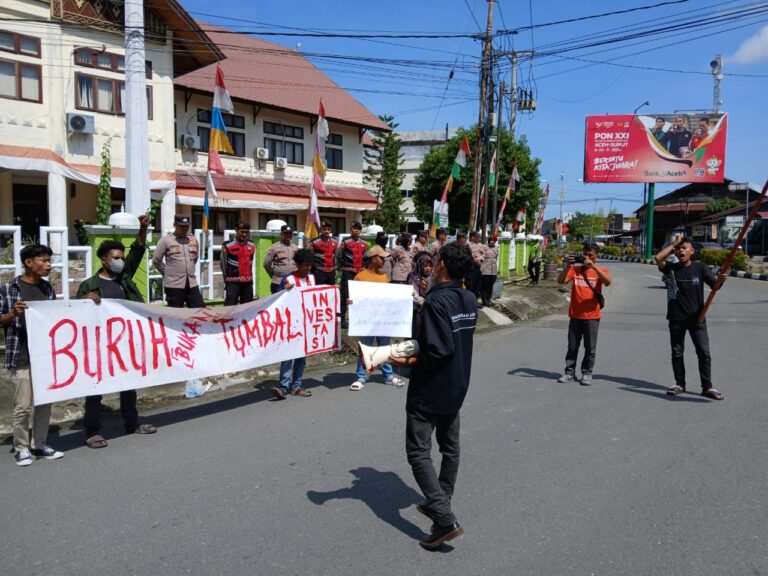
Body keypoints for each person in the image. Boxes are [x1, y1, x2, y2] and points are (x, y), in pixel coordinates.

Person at [389, 242, 477, 550]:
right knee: (450, 448)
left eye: (436, 258)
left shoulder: (436, 302)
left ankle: (443, 518)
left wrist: (401, 359)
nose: (433, 260)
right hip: (457, 385)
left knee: (418, 452)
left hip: (430, 390)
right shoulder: (468, 298)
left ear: (441, 265)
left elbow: (438, 350)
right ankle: (440, 501)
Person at [77, 215, 158, 448]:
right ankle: (92, 431)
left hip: (125, 342)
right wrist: (85, 300)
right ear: (104, 260)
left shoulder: (125, 277)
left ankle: (131, 423)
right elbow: (75, 316)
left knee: (128, 384)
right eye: (115, 258)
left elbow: (139, 249)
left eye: (121, 258)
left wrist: (143, 228)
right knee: (95, 388)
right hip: (100, 345)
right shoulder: (89, 285)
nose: (120, 261)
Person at [0, 244, 63, 466]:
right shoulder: (8, 290)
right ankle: (22, 448)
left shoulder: (47, 289)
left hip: (45, 356)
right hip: (22, 355)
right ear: (29, 262)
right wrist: (12, 314)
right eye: (44, 261)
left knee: (45, 402)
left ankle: (40, 443)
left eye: (49, 261)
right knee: (22, 405)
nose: (49, 265)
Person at [654, 236, 726, 400]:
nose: (681, 250)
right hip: (676, 318)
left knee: (704, 353)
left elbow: (715, 286)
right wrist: (673, 244)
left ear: (692, 251)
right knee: (677, 353)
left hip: (697, 319)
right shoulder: (671, 268)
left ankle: (707, 387)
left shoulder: (700, 268)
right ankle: (680, 384)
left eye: (684, 247)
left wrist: (720, 281)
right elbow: (658, 258)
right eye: (679, 248)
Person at [556, 243, 612, 386]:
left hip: (592, 316)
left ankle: (587, 373)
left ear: (596, 256)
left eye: (590, 255)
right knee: (572, 346)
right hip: (575, 315)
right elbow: (561, 281)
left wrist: (593, 266)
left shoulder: (600, 270)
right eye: (585, 254)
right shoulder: (575, 270)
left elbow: (608, 282)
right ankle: (569, 373)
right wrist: (568, 266)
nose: (587, 257)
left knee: (590, 347)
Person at [349, 245, 404, 390]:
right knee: (364, 348)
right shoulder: (360, 277)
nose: (385, 260)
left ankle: (388, 376)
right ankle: (361, 377)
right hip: (366, 321)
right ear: (374, 259)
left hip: (382, 320)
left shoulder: (384, 277)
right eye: (382, 258)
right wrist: (351, 301)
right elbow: (354, 298)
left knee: (384, 348)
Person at [271, 249, 315, 400]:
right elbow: (278, 299)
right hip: (290, 324)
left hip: (306, 323)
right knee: (288, 355)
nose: (308, 268)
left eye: (310, 265)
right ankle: (283, 387)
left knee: (301, 357)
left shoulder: (312, 279)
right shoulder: (288, 279)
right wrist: (284, 290)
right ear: (297, 264)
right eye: (305, 265)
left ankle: (296, 385)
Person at [152, 214, 204, 308]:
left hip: (191, 284)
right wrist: (166, 272)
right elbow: (156, 260)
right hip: (173, 285)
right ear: (174, 225)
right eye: (181, 226)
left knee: (199, 311)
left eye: (186, 226)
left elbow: (195, 258)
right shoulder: (166, 240)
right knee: (175, 315)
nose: (184, 228)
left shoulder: (193, 240)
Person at [336, 221, 367, 329]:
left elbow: (365, 257)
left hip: (360, 273)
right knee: (345, 295)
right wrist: (344, 266)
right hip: (347, 271)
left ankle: (357, 319)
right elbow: (339, 255)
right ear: (351, 230)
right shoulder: (345, 241)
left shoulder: (365, 243)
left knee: (358, 296)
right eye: (354, 229)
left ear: (360, 231)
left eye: (358, 229)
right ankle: (343, 320)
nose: (356, 231)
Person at [220, 220, 256, 305]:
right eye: (242, 232)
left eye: (246, 232)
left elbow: (251, 264)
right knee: (230, 309)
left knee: (248, 309)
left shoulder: (252, 245)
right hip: (232, 284)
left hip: (247, 284)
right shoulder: (227, 245)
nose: (244, 234)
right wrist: (227, 281)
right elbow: (223, 265)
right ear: (236, 230)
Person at [263, 224, 298, 294]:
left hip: (292, 281)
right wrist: (273, 275)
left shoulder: (295, 248)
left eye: (290, 233)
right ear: (281, 234)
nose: (288, 235)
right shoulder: (274, 247)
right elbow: (266, 264)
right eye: (286, 233)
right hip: (278, 282)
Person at [407, 252, 433, 336]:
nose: (428, 269)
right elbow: (413, 295)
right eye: (425, 266)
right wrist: (427, 302)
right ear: (420, 265)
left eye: (430, 266)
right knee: (417, 333)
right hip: (417, 311)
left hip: (429, 310)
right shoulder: (413, 276)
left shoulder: (432, 278)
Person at [309, 220, 338, 286]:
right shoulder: (314, 242)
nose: (326, 231)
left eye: (328, 229)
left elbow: (336, 255)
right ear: (321, 229)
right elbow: (310, 257)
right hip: (319, 272)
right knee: (320, 290)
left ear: (331, 230)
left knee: (331, 290)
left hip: (331, 272)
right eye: (324, 229)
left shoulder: (335, 241)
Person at [480, 236, 499, 306]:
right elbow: (481, 257)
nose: (492, 241)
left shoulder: (496, 248)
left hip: (493, 271)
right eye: (491, 240)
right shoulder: (484, 247)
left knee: (490, 286)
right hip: (485, 271)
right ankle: (484, 301)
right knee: (484, 286)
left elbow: (496, 257)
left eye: (494, 240)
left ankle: (488, 300)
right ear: (488, 241)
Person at [468, 231, 484, 305]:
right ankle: (470, 302)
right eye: (477, 237)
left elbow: (484, 254)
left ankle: (475, 301)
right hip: (472, 268)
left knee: (478, 285)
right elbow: (467, 256)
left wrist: (481, 258)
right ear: (472, 237)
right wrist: (474, 260)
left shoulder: (480, 245)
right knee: (471, 285)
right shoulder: (468, 245)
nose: (478, 238)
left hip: (479, 267)